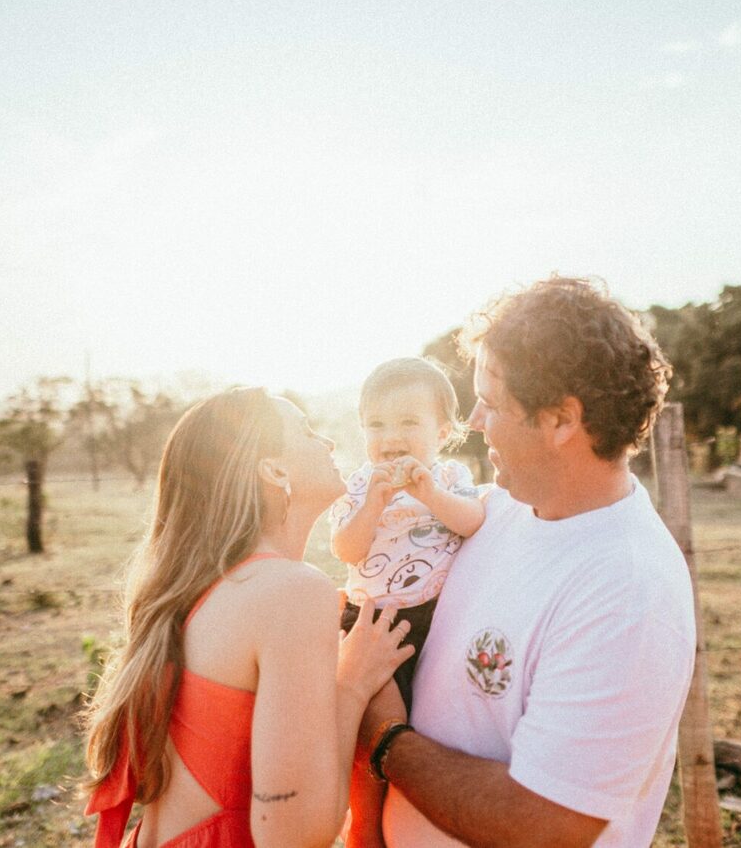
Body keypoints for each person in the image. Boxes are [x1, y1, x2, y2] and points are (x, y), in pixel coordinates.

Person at [357, 276, 697, 848]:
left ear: (562, 419)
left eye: (490, 403)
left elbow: (542, 824)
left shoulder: (628, 588)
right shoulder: (493, 512)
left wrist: (385, 739)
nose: (472, 423)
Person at [82, 387, 413, 848]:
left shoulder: (206, 587)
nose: (329, 443)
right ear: (274, 469)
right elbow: (293, 835)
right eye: (307, 431)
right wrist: (353, 684)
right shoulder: (290, 591)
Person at [329, 357, 486, 846]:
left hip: (436, 622)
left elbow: (471, 521)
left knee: (426, 732)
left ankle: (414, 823)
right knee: (377, 735)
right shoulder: (358, 484)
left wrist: (431, 493)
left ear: (443, 432)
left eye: (408, 422)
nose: (390, 435)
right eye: (377, 424)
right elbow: (345, 549)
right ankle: (366, 832)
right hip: (372, 623)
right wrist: (373, 506)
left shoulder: (453, 477)